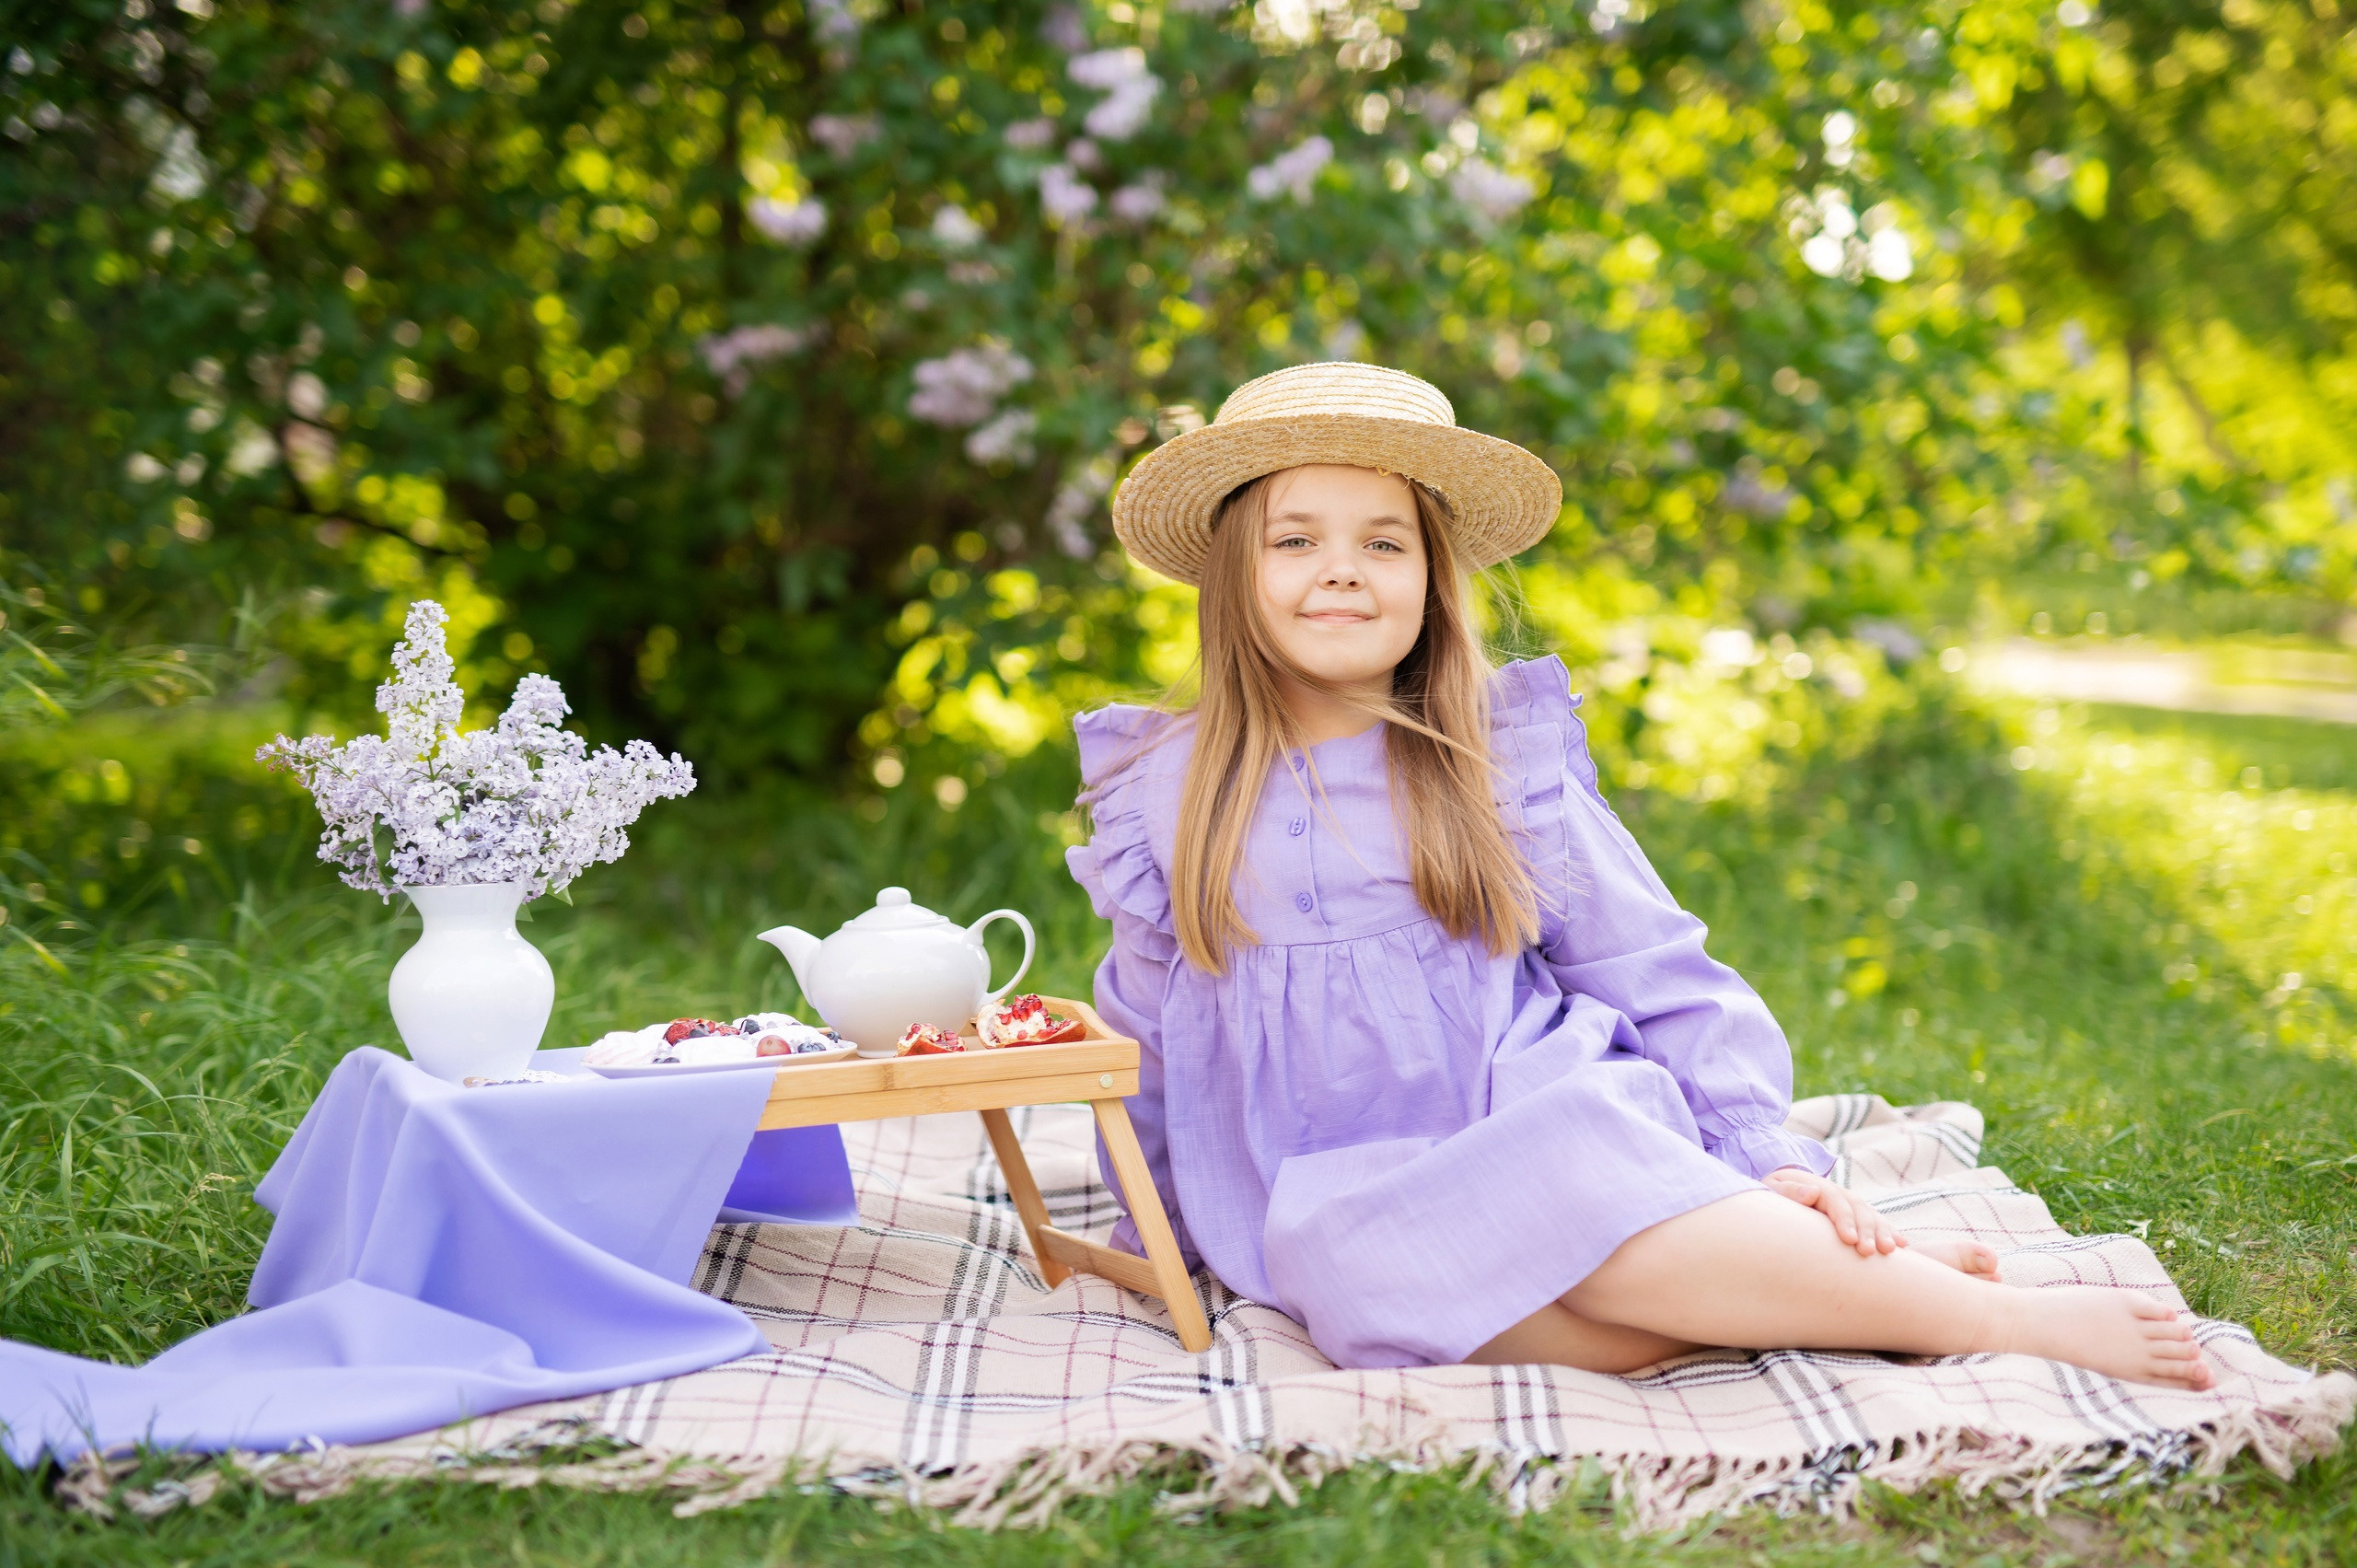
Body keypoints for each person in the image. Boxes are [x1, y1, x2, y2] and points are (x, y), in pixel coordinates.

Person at [1062, 362, 2212, 1388]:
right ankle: (1826, 1295)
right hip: (1339, 1180)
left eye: (1383, 541)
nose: (1342, 572)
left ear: (1432, 578)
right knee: (1337, 1270)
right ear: (1231, 575)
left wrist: (1760, 1145)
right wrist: (1158, 1228)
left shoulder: (1491, 764)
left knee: (1583, 1184)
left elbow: (1652, 963)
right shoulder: (1165, 794)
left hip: (1531, 1109)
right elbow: (1143, 1038)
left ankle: (1986, 1314)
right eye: (1295, 539)